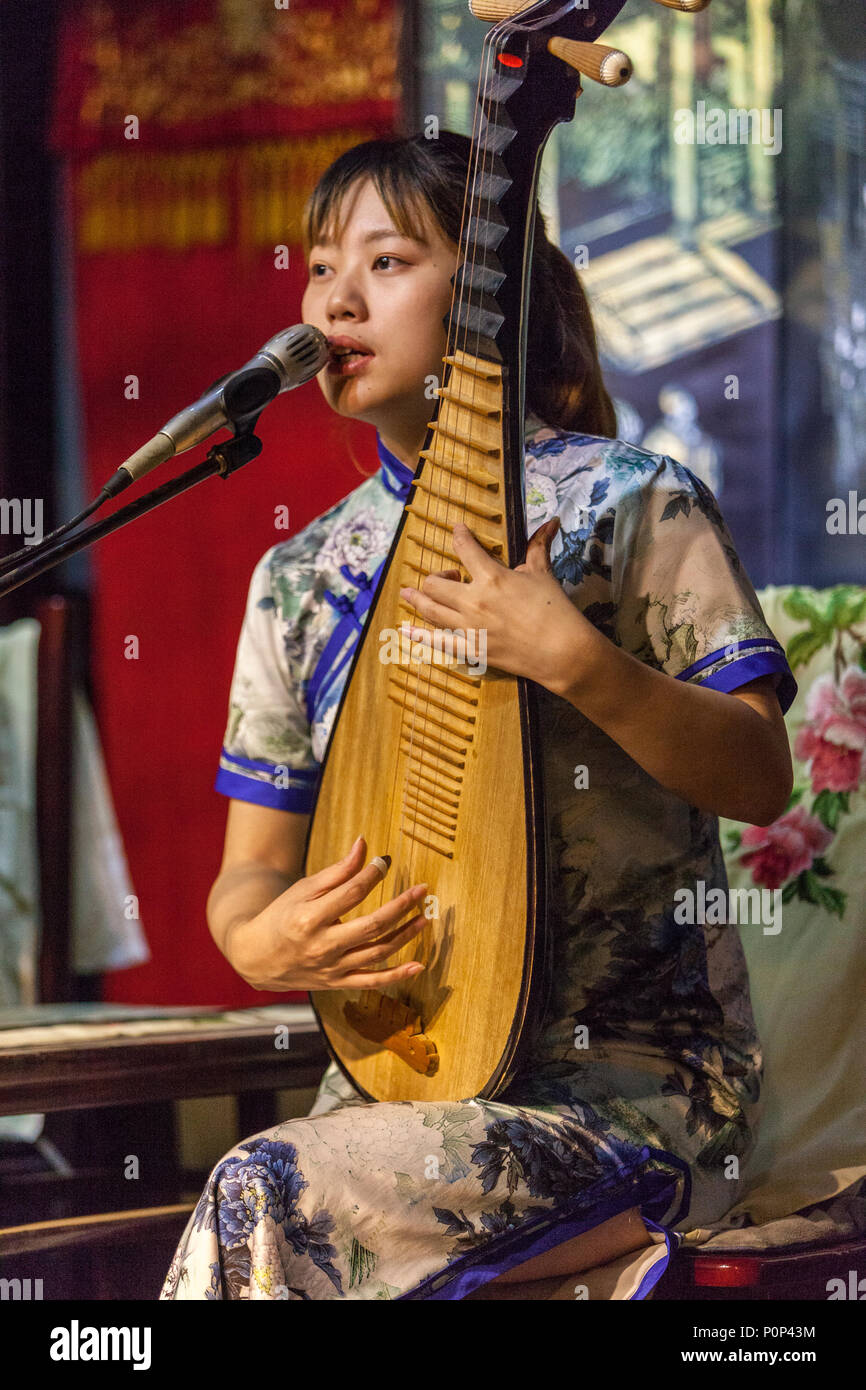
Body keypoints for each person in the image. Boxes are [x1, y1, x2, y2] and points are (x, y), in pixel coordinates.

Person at [160, 131, 796, 1302]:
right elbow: (246, 881)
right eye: (314, 268)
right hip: (392, 1096)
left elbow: (759, 774)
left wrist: (574, 658)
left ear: (490, 296)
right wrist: (263, 941)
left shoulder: (628, 502)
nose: (332, 299)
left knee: (262, 1191)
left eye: (386, 261)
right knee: (281, 1190)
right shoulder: (299, 576)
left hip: (626, 1096)